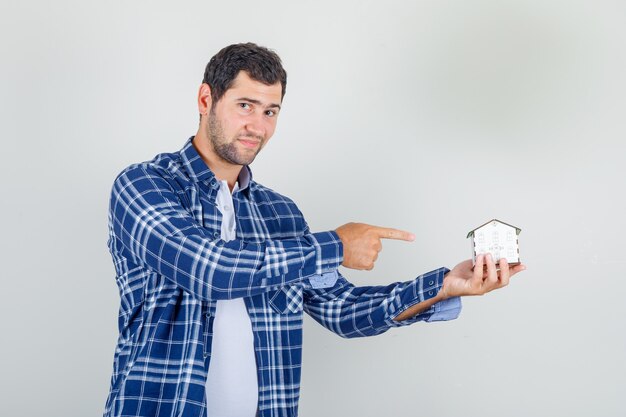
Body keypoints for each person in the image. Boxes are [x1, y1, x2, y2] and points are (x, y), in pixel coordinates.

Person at [103, 43, 525, 417]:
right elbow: (210, 270)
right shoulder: (144, 185)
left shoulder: (281, 214)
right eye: (245, 106)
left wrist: (444, 287)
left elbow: (343, 311)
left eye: (270, 111)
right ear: (205, 99)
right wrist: (336, 245)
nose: (258, 126)